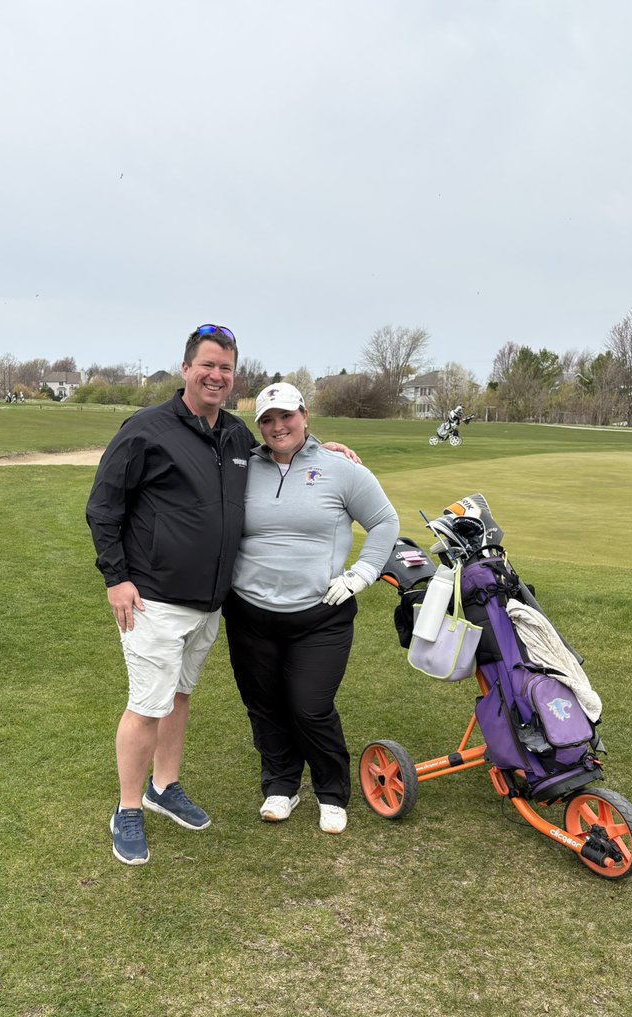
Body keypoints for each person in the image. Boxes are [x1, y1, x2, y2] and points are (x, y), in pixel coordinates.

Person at [86, 325, 358, 866]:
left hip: (210, 602)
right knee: (147, 704)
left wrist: (319, 450)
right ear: (186, 368)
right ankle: (128, 807)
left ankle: (164, 787)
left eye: (226, 369)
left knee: (179, 697)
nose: (216, 376)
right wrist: (116, 578)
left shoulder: (235, 436)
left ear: (235, 378)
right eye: (208, 365)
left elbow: (279, 449)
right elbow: (104, 506)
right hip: (153, 599)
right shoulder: (146, 429)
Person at [222, 382, 399, 835]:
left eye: (286, 416)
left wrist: (362, 574)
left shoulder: (340, 468)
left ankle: (331, 791)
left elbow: (384, 522)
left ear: (305, 416)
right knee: (263, 705)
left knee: (309, 706)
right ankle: (281, 785)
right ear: (257, 426)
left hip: (319, 616)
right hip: (250, 612)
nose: (278, 426)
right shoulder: (242, 465)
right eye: (267, 419)